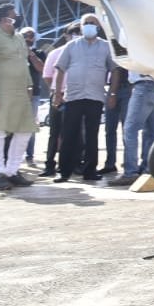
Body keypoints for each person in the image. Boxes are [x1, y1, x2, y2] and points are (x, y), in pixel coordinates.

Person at [0, 4, 38, 191]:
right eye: (14, 16)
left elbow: (24, 64)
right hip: (0, 93)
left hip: (20, 93)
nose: (18, 18)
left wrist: (29, 85)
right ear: (4, 20)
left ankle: (12, 171)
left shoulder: (19, 38)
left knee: (24, 131)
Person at [51, 14, 116, 184]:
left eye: (92, 23)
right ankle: (64, 171)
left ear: (98, 27)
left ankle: (90, 170)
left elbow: (115, 69)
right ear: (81, 27)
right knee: (69, 134)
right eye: (86, 23)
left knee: (92, 135)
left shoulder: (106, 47)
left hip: (95, 96)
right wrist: (58, 93)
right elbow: (60, 69)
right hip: (73, 96)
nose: (88, 26)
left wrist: (113, 93)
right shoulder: (71, 46)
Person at [109, 69, 154, 187]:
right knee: (152, 132)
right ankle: (148, 169)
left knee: (130, 130)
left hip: (144, 84)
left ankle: (130, 172)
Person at [40, 25, 78, 177]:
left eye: (78, 33)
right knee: (54, 132)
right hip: (59, 95)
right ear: (65, 35)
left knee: (75, 133)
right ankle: (49, 165)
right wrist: (56, 91)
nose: (75, 36)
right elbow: (47, 75)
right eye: (72, 33)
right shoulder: (55, 53)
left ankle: (73, 164)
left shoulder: (82, 53)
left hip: (76, 95)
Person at [21, 27, 46, 166]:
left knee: (30, 126)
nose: (28, 38)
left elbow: (42, 69)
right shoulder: (15, 53)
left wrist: (30, 55)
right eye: (25, 35)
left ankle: (29, 155)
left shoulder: (39, 53)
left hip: (33, 94)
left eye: (31, 36)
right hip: (16, 92)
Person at [101, 64, 131, 175]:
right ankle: (110, 164)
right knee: (109, 129)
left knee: (127, 130)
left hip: (127, 87)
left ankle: (129, 163)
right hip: (113, 88)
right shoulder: (109, 48)